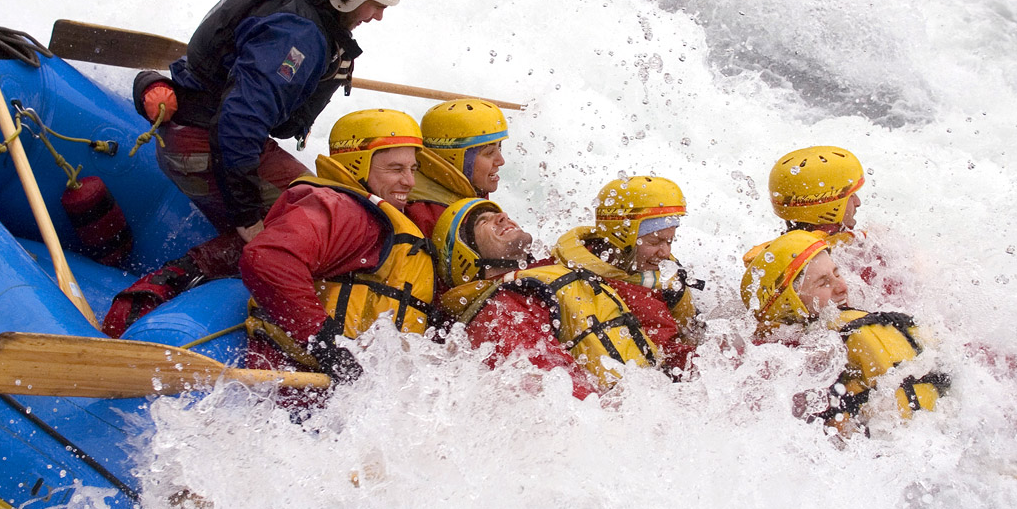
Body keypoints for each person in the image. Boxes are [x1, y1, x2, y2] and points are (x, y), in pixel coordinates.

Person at [103, 0, 410, 335]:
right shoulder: (296, 34)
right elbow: (238, 126)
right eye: (375, 4)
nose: (378, 17)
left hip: (198, 129)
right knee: (316, 223)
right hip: (205, 143)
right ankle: (170, 284)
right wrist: (249, 218)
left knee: (308, 213)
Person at [238, 108, 435, 382]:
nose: (410, 181)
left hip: (354, 397)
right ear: (358, 164)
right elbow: (267, 259)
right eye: (395, 169)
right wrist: (324, 342)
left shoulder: (378, 216)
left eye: (412, 169)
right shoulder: (340, 209)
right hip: (296, 388)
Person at [432, 198, 686, 399]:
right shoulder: (500, 309)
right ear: (466, 255)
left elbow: (650, 332)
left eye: (499, 213)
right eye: (483, 222)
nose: (503, 216)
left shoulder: (553, 276)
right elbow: (544, 384)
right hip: (616, 415)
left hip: (651, 395)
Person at [740, 230, 950, 433]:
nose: (842, 287)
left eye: (837, 273)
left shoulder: (851, 325)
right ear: (789, 305)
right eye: (823, 283)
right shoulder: (783, 365)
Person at [553, 175, 703, 351]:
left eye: (670, 242)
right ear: (623, 239)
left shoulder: (666, 278)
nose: (665, 253)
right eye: (654, 243)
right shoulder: (579, 280)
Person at [748, 145, 898, 296]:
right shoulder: (864, 251)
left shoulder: (771, 259)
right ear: (831, 204)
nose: (858, 202)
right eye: (850, 196)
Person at [404, 98, 508, 240]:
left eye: (499, 148)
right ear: (454, 159)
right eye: (489, 153)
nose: (501, 161)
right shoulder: (426, 215)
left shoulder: (469, 185)